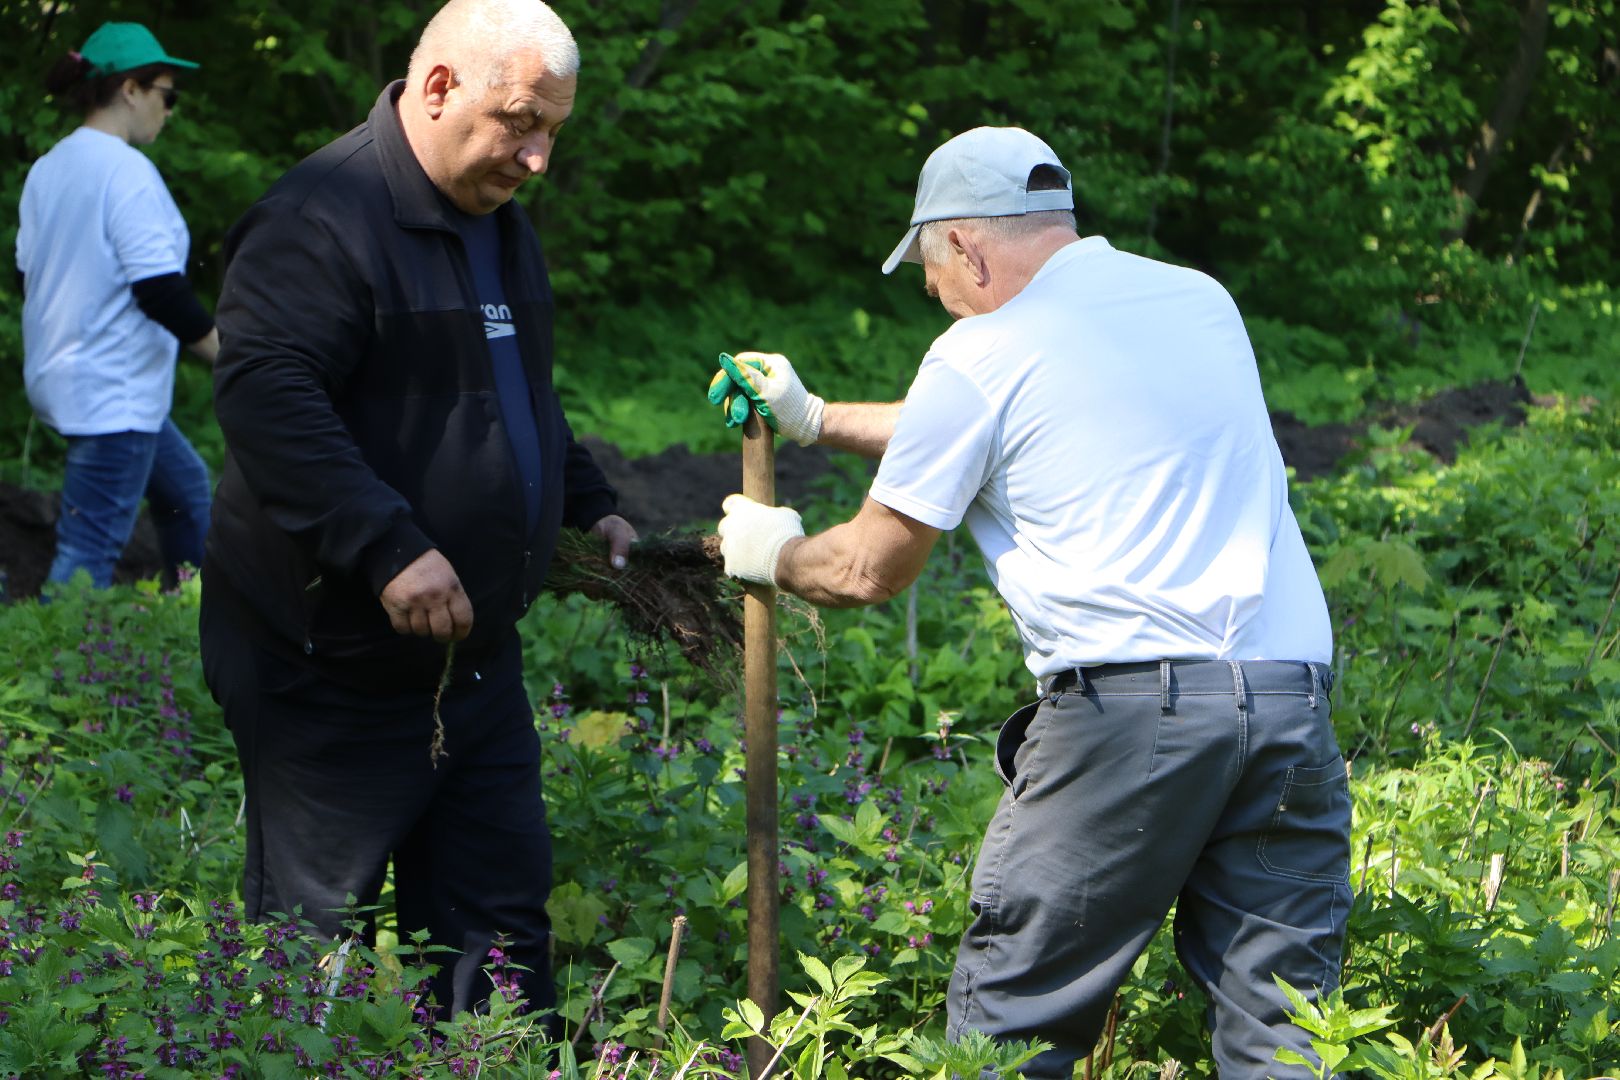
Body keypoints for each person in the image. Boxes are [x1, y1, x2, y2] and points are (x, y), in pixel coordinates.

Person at [714, 127, 1349, 1078]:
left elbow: (865, 569)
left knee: (1015, 1024)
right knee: (1284, 1030)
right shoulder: (1198, 303)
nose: (938, 297)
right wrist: (816, 419)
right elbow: (996, 418)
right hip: (1290, 705)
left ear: (966, 245)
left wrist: (773, 551)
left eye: (934, 273)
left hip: (1133, 724)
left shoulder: (981, 353)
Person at [201, 0, 635, 1022]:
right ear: (438, 88)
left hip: (475, 667)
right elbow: (267, 397)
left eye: (551, 135)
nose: (536, 160)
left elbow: (517, 395)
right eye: (521, 123)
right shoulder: (320, 216)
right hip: (331, 670)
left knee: (499, 940)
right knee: (317, 959)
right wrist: (387, 545)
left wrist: (589, 502)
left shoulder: (501, 228)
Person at [16, 22, 218, 590]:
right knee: (87, 556)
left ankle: (193, 615)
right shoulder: (125, 172)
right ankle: (50, 670)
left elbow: (27, 276)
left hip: (71, 381)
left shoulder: (49, 168)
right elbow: (158, 289)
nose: (169, 110)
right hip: (113, 393)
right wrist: (229, 354)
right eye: (166, 95)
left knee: (184, 491)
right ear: (130, 90)